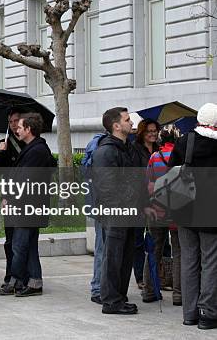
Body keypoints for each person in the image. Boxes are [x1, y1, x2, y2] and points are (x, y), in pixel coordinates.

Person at [92, 107, 157, 315]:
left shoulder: (127, 148)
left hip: (130, 212)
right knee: (113, 257)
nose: (132, 123)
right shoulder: (106, 151)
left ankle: (119, 297)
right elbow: (107, 188)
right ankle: (111, 301)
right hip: (115, 213)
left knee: (125, 257)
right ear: (116, 125)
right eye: (127, 120)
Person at [168, 103, 217, 330]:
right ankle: (208, 313)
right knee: (211, 262)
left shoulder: (184, 142)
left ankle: (189, 314)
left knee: (189, 261)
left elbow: (171, 174)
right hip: (211, 213)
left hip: (185, 209)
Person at [0, 114, 56, 297]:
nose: (17, 129)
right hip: (28, 206)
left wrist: (9, 198)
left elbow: (24, 180)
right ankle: (34, 282)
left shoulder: (37, 150)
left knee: (19, 246)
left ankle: (16, 281)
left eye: (21, 127)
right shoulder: (33, 148)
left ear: (29, 129)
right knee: (29, 246)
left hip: (27, 207)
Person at [143, 128, 181, 306]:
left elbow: (149, 184)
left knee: (154, 250)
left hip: (157, 210)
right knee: (179, 253)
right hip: (177, 211)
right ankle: (179, 294)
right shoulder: (180, 156)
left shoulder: (154, 157)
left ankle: (149, 290)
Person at [0, 108, 27, 290]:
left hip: (27, 196)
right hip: (9, 196)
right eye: (11, 122)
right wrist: (0, 153)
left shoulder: (30, 142)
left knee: (25, 240)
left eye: (17, 121)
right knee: (11, 239)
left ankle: (25, 276)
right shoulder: (3, 142)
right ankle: (10, 275)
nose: (14, 125)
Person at [131, 119, 160, 289]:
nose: (153, 133)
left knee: (159, 240)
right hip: (139, 201)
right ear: (142, 132)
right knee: (138, 241)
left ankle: (159, 274)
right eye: (149, 130)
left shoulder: (159, 150)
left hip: (158, 200)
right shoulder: (135, 150)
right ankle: (140, 277)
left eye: (155, 130)